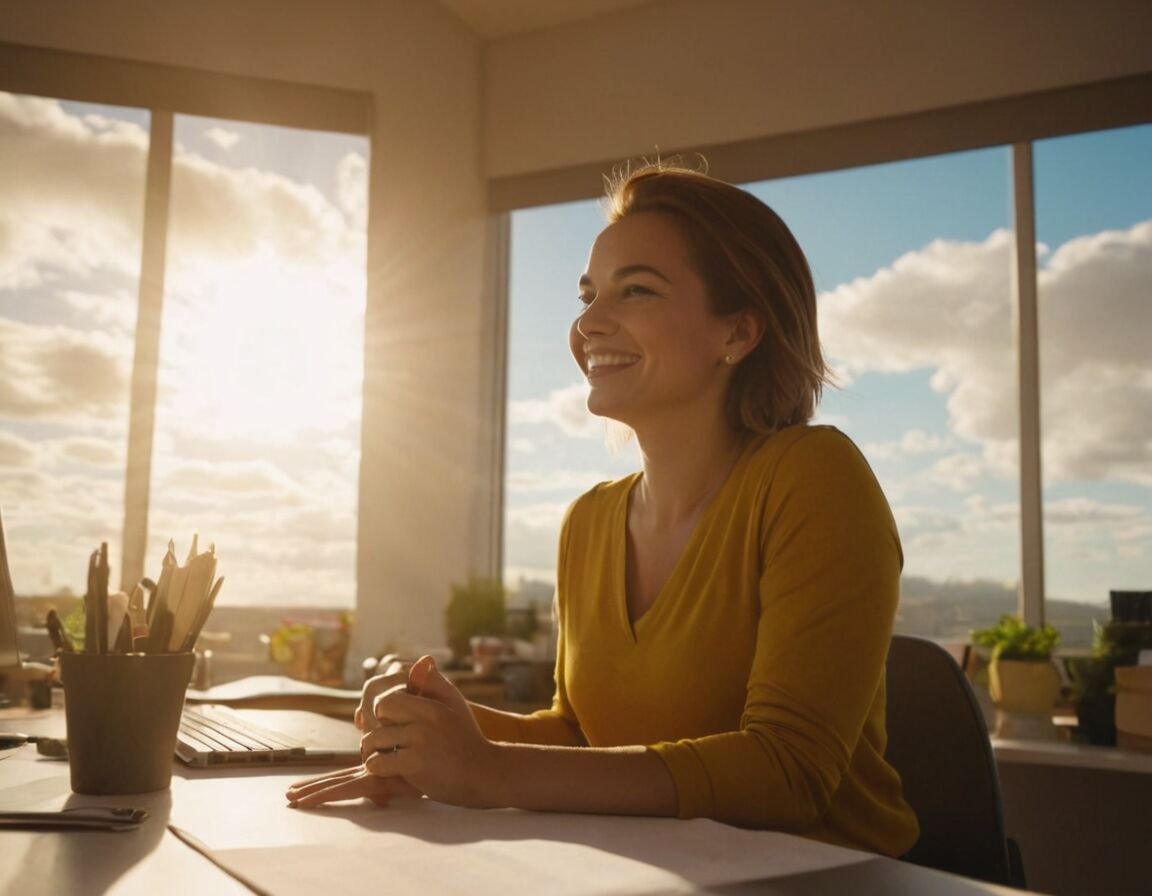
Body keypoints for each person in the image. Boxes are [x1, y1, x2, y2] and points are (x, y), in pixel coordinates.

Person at [287, 162, 919, 857]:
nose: (588, 322)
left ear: (736, 334)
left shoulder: (813, 477)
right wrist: (442, 730)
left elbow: (789, 770)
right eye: (588, 294)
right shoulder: (588, 521)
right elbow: (583, 736)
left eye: (637, 291)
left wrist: (486, 768)